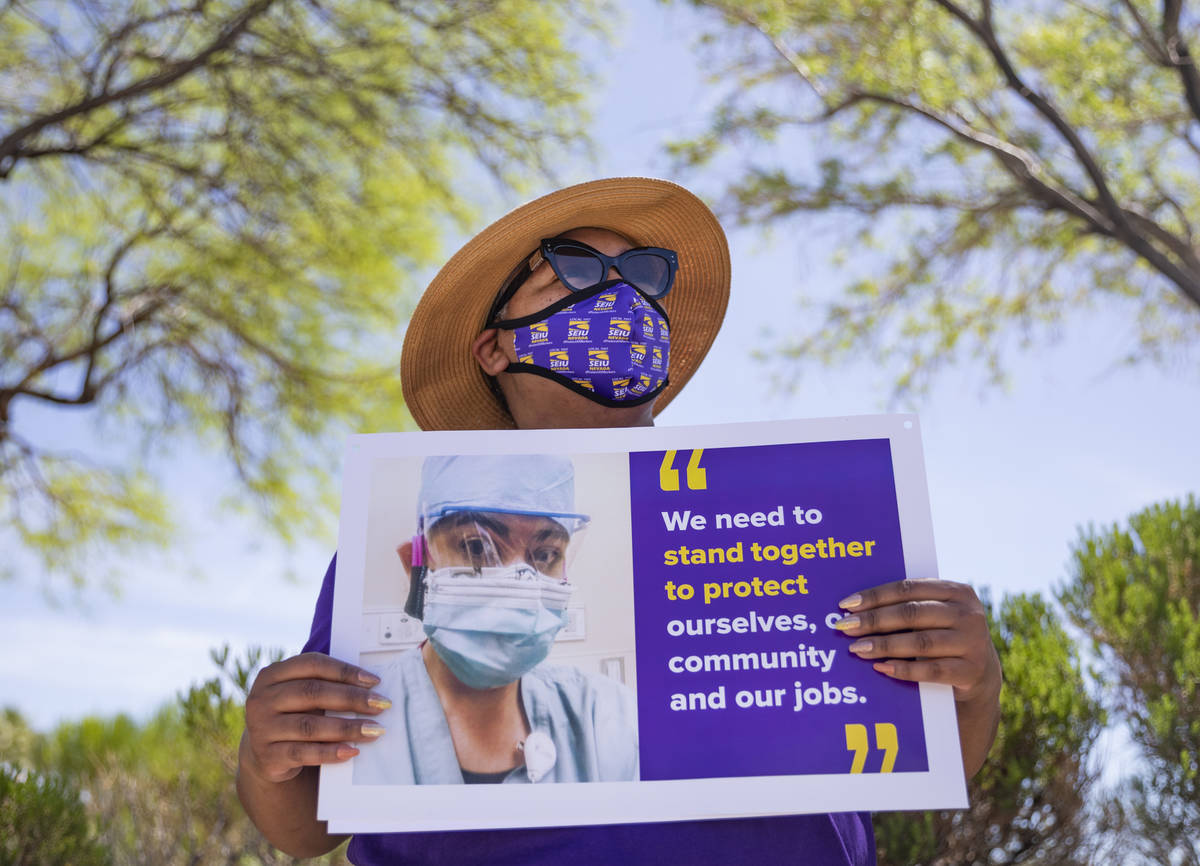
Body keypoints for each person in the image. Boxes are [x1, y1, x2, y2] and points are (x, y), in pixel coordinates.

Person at [237, 177, 1003, 865]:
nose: (620, 299)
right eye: (572, 269)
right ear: (495, 348)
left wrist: (968, 686)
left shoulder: (785, 513)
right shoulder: (393, 527)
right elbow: (305, 823)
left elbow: (922, 761)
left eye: (641, 279)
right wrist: (268, 747)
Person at [354, 453, 638, 786]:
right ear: (416, 563)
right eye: (476, 547)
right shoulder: (357, 712)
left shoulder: (605, 714)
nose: (517, 584)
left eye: (545, 554)